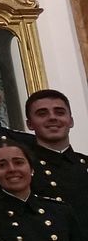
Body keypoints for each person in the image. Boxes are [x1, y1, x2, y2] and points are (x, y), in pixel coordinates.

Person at [24, 89, 88, 233]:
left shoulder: (85, 164)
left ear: (71, 121)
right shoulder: (24, 170)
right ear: (30, 124)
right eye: (42, 114)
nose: (52, 118)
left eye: (59, 112)